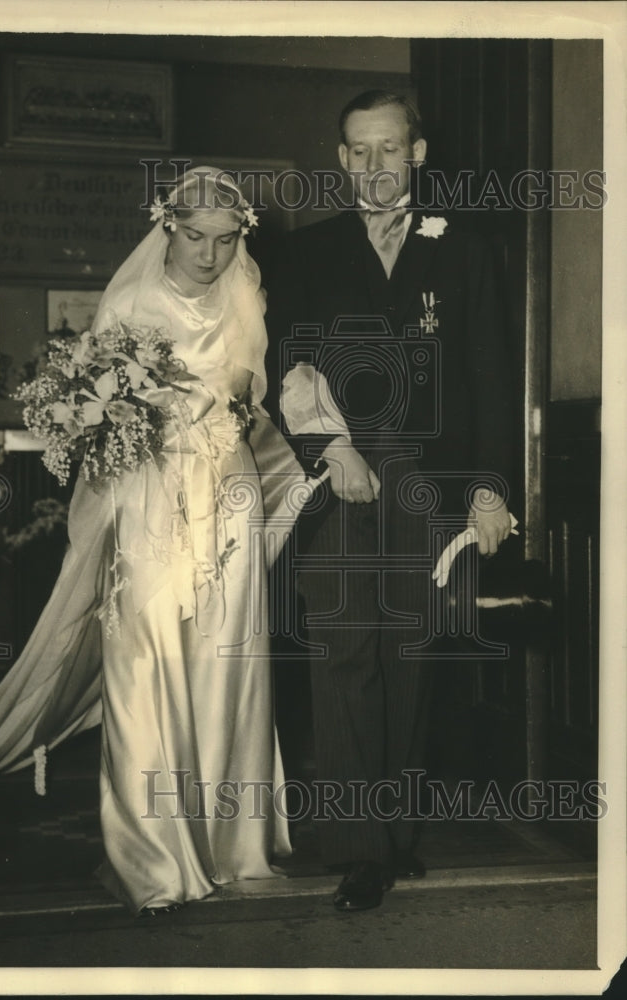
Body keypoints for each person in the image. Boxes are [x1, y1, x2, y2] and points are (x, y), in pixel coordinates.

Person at [0, 166, 305, 916]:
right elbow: (93, 410)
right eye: (194, 238)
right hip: (148, 495)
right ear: (166, 227)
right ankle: (154, 856)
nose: (210, 256)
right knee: (145, 655)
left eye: (225, 239)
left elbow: (243, 390)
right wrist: (116, 409)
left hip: (225, 487)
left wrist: (192, 400)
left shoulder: (243, 289)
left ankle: (232, 844)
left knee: (225, 662)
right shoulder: (129, 299)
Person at [264, 91, 516, 912]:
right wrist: (332, 451)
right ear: (341, 160)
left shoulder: (467, 249)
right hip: (337, 482)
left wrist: (487, 491)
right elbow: (286, 371)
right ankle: (359, 848)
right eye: (357, 151)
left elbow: (488, 381)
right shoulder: (305, 255)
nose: (374, 167)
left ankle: (396, 833)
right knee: (344, 660)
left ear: (416, 152)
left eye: (388, 149)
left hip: (429, 489)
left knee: (408, 657)